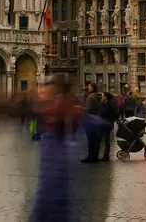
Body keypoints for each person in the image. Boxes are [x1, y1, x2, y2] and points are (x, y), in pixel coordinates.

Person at [32, 74, 83, 222]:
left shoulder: (69, 144)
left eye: (48, 99)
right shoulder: (49, 133)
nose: (42, 104)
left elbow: (54, 193)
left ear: (61, 100)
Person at [81, 83, 104, 164]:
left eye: (89, 86)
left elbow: (89, 109)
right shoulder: (101, 96)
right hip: (100, 120)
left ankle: (91, 157)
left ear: (92, 87)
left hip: (91, 121)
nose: (88, 87)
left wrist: (81, 109)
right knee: (97, 140)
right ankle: (95, 156)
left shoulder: (90, 97)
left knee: (90, 140)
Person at [100, 92, 119, 162]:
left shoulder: (109, 104)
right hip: (107, 123)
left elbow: (106, 112)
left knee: (106, 139)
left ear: (106, 97)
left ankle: (106, 155)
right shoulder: (109, 103)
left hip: (106, 123)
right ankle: (105, 155)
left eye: (102, 96)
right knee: (105, 139)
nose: (101, 97)